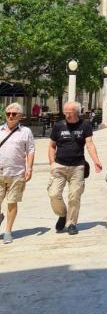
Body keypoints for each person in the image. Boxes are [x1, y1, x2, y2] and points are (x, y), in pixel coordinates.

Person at [48, 101, 102, 235]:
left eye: (69, 112)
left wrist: (96, 161)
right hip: (59, 165)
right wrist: (52, 163)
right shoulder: (58, 125)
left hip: (77, 166)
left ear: (77, 112)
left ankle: (71, 223)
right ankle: (62, 214)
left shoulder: (85, 125)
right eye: (65, 112)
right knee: (54, 193)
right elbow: (51, 146)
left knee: (74, 196)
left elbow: (89, 144)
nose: (66, 114)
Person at [0, 104, 35, 244]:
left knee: (12, 202)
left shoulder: (26, 132)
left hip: (17, 173)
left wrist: (29, 168)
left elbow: (30, 150)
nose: (10, 116)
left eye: (14, 114)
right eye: (8, 113)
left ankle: (8, 231)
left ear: (20, 116)